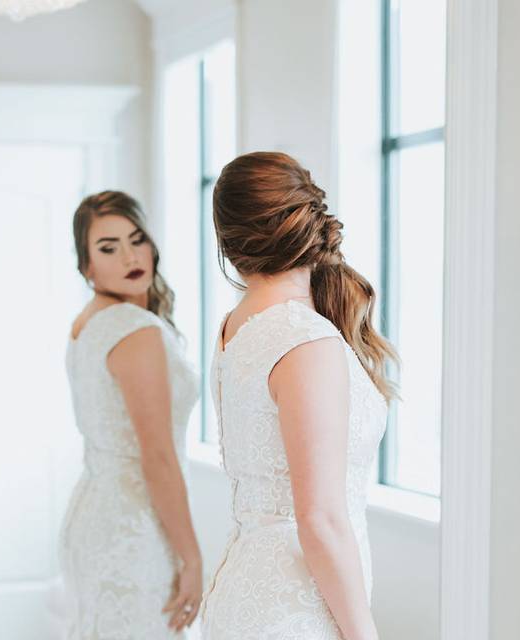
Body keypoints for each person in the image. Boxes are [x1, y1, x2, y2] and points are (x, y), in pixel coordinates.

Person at [200, 152, 399, 640]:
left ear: (227, 242)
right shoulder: (303, 338)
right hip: (295, 608)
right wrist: (363, 633)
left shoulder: (237, 326)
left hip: (249, 590)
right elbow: (321, 518)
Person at [59, 190, 203, 638]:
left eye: (136, 239)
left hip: (94, 515)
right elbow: (156, 456)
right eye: (108, 247)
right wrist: (192, 557)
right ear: (87, 267)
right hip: (133, 529)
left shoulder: (89, 320)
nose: (129, 256)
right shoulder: (133, 329)